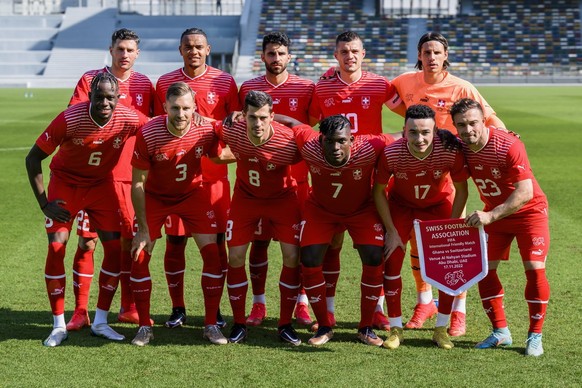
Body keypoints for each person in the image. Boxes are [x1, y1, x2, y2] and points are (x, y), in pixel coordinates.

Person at [389, 32, 507, 336]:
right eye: (426, 51)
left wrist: (508, 142)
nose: (431, 57)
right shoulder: (404, 82)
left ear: (445, 55)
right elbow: (379, 90)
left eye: (436, 52)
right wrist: (331, 76)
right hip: (415, 169)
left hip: (451, 174)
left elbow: (490, 120)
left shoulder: (462, 87)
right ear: (419, 55)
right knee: (417, 240)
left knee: (453, 242)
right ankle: (425, 301)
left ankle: (458, 310)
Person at [25, 73, 148, 347]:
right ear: (90, 95)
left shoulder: (129, 117)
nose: (105, 102)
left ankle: (101, 321)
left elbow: (154, 129)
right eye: (99, 97)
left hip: (101, 187)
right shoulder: (69, 118)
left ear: (119, 98)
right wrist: (44, 203)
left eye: (110, 98)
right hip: (66, 184)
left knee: (115, 250)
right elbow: (33, 158)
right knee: (57, 247)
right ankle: (58, 324)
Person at [308, 30, 405, 332]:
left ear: (363, 54)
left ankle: (375, 310)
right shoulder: (322, 87)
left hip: (370, 172)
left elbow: (409, 114)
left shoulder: (379, 84)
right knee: (332, 244)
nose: (350, 56)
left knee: (375, 248)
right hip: (335, 171)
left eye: (355, 51)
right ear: (335, 55)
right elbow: (308, 121)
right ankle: (330, 310)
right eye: (344, 51)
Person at [130, 82, 234, 346]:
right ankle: (144, 326)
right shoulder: (149, 133)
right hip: (155, 198)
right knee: (139, 255)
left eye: (186, 108)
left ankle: (211, 324)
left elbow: (220, 153)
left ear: (194, 108)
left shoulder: (205, 128)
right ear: (165, 107)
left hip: (192, 195)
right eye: (175, 108)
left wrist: (250, 151)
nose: (181, 114)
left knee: (213, 255)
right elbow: (138, 183)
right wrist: (142, 228)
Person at [65, 28, 155, 331]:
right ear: (111, 50)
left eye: (130, 50)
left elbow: (154, 127)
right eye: (120, 49)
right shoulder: (92, 79)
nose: (125, 54)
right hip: (97, 178)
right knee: (87, 242)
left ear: (137, 53)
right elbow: (77, 118)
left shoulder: (145, 84)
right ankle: (80, 310)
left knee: (130, 242)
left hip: (131, 177)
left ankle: (127, 307)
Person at [155, 27, 241, 329]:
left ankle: (213, 309)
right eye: (188, 46)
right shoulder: (165, 83)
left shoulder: (225, 81)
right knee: (175, 242)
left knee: (217, 245)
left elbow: (235, 127)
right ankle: (178, 308)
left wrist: (210, 122)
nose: (194, 51)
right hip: (177, 178)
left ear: (208, 49)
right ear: (180, 50)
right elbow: (158, 126)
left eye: (199, 46)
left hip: (214, 178)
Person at [451, 98, 550, 357]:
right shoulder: (460, 149)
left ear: (484, 120)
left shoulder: (509, 144)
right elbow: (459, 191)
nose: (468, 129)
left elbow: (525, 192)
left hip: (530, 213)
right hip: (495, 217)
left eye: (473, 123)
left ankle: (535, 336)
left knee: (534, 269)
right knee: (483, 270)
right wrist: (452, 227)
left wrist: (490, 215)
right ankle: (500, 332)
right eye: (461, 125)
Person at [284, 114, 395, 346]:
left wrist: (441, 133)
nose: (335, 147)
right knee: (310, 259)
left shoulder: (369, 147)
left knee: (374, 257)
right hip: (321, 210)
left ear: (352, 140)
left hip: (361, 210)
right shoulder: (310, 143)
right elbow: (294, 124)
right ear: (320, 139)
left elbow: (400, 136)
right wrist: (247, 117)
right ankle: (324, 326)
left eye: (342, 141)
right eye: (329, 141)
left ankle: (365, 328)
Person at [372, 104, 469, 350]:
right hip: (402, 207)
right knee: (392, 260)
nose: (419, 138)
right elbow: (378, 191)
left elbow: (462, 189)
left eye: (425, 132)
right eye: (413, 132)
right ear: (403, 131)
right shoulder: (392, 153)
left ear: (435, 131)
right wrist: (392, 231)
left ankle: (440, 329)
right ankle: (395, 329)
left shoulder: (449, 150)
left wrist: (451, 226)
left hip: (438, 206)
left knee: (448, 265)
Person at [215, 91, 303, 346]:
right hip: (246, 199)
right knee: (235, 257)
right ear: (244, 116)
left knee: (292, 256)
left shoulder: (289, 140)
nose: (258, 123)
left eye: (263, 117)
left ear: (272, 117)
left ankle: (285, 324)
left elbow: (312, 143)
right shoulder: (232, 131)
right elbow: (204, 125)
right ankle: (239, 323)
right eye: (252, 117)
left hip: (283, 200)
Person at [238, 31, 314, 327]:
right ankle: (259, 304)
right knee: (259, 244)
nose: (276, 59)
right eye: (271, 53)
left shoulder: (307, 87)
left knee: (299, 245)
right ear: (263, 57)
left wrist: (282, 120)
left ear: (289, 57)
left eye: (281, 53)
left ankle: (302, 303)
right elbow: (239, 120)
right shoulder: (249, 88)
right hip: (258, 181)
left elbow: (309, 129)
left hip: (298, 180)